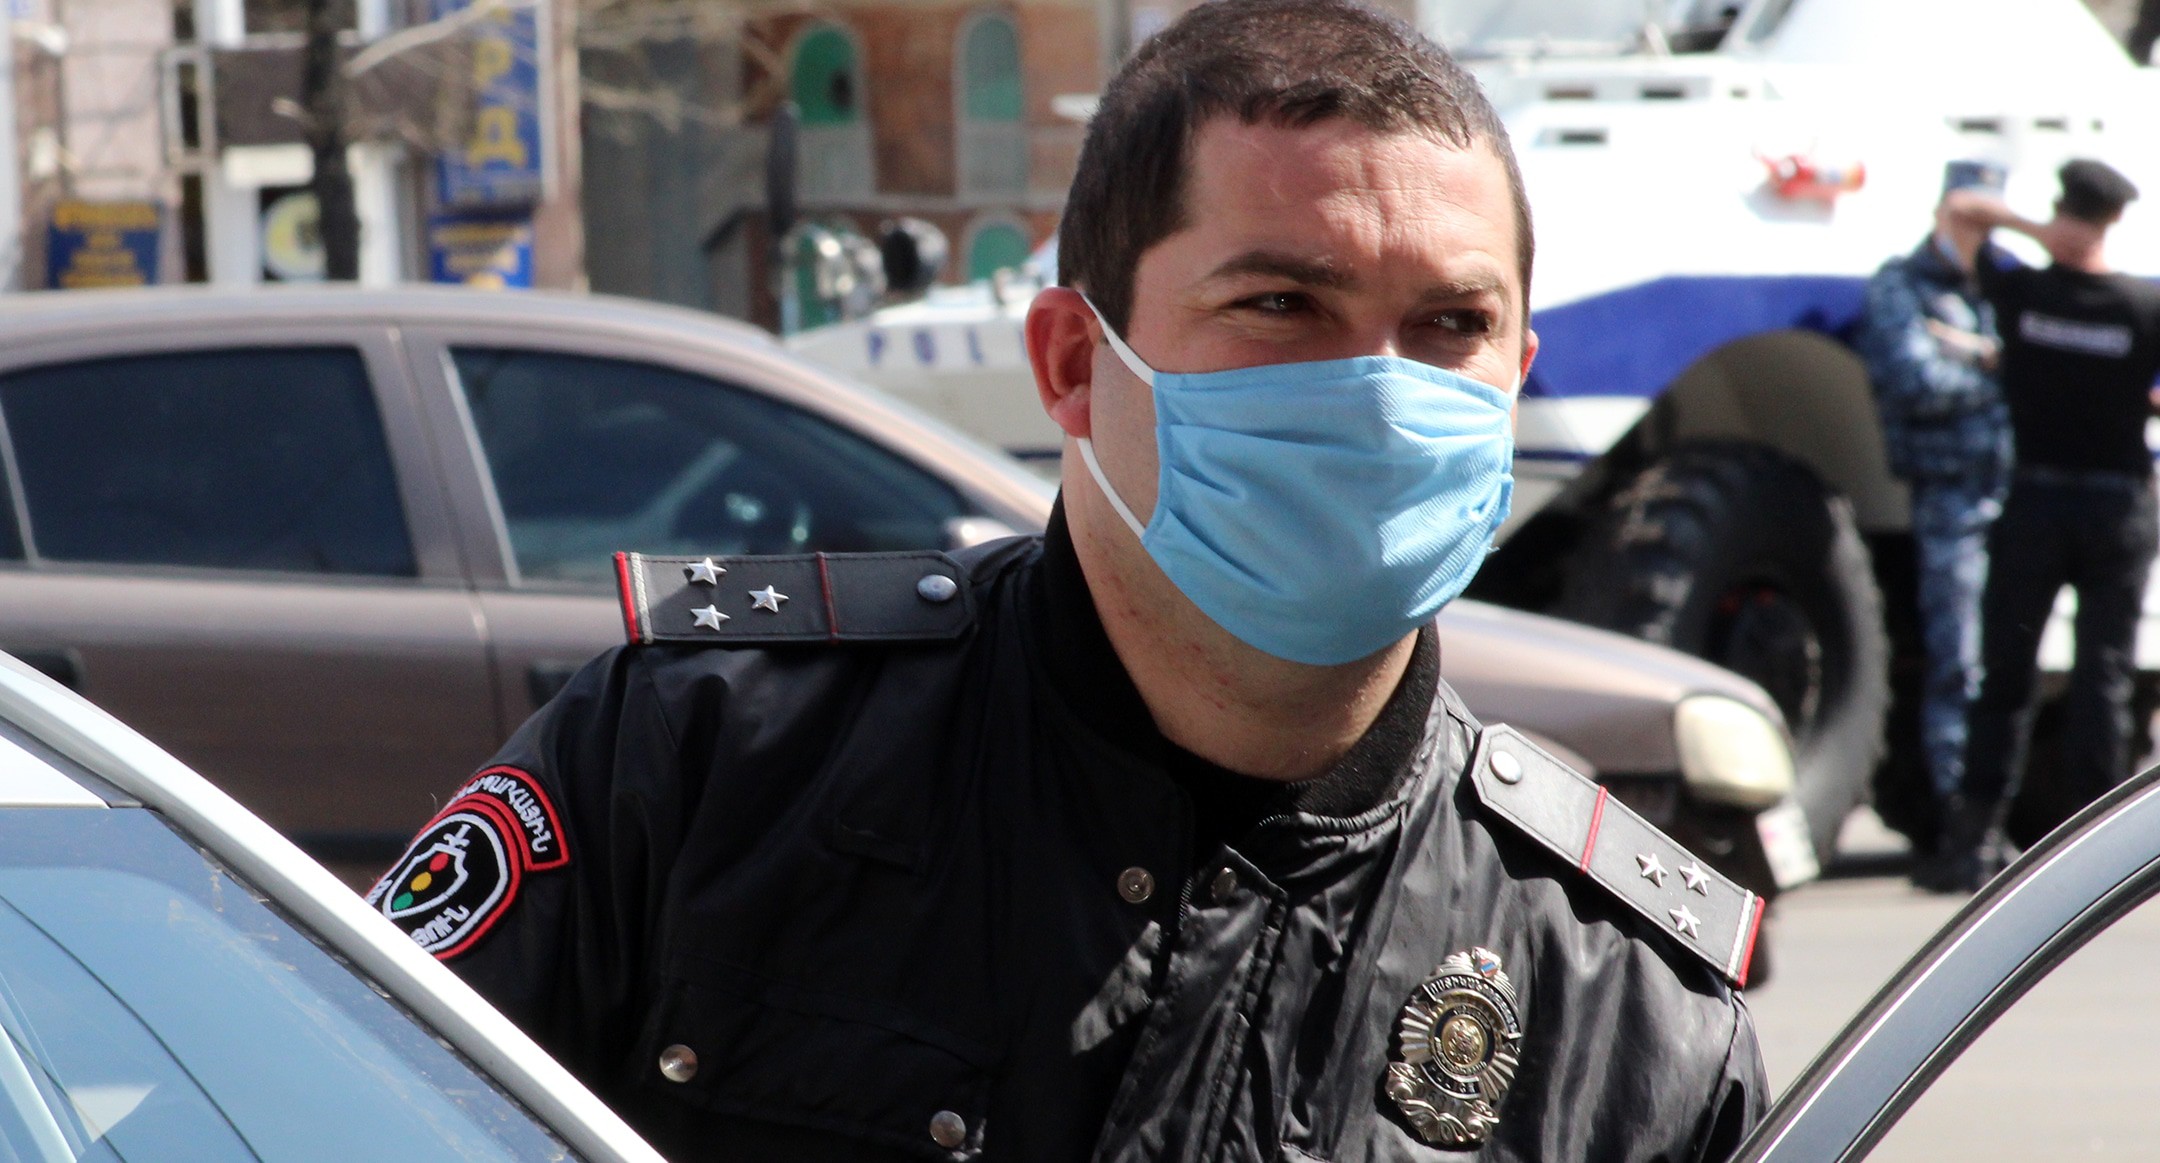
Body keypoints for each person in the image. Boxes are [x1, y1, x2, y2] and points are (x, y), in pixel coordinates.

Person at [369, 2, 1766, 1158]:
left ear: (1516, 373)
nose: (1381, 395)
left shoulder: (1628, 994)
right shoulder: (703, 760)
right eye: (1283, 304)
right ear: (1074, 363)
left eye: (1451, 322)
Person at [1939, 158, 2160, 890]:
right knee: (2091, 678)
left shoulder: (2034, 292)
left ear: (2072, 213)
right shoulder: (2135, 304)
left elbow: (1962, 211)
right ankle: (2097, 859)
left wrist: (2037, 231)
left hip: (2053, 506)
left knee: (2022, 675)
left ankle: (1982, 845)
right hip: (2106, 507)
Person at [1855, 161, 2013, 890]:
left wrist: (1980, 355)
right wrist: (1999, 365)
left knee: (2008, 667)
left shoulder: (2004, 283)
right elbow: (1915, 379)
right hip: (1950, 495)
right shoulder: (1903, 285)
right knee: (1959, 663)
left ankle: (1993, 818)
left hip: (2016, 492)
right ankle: (1960, 827)